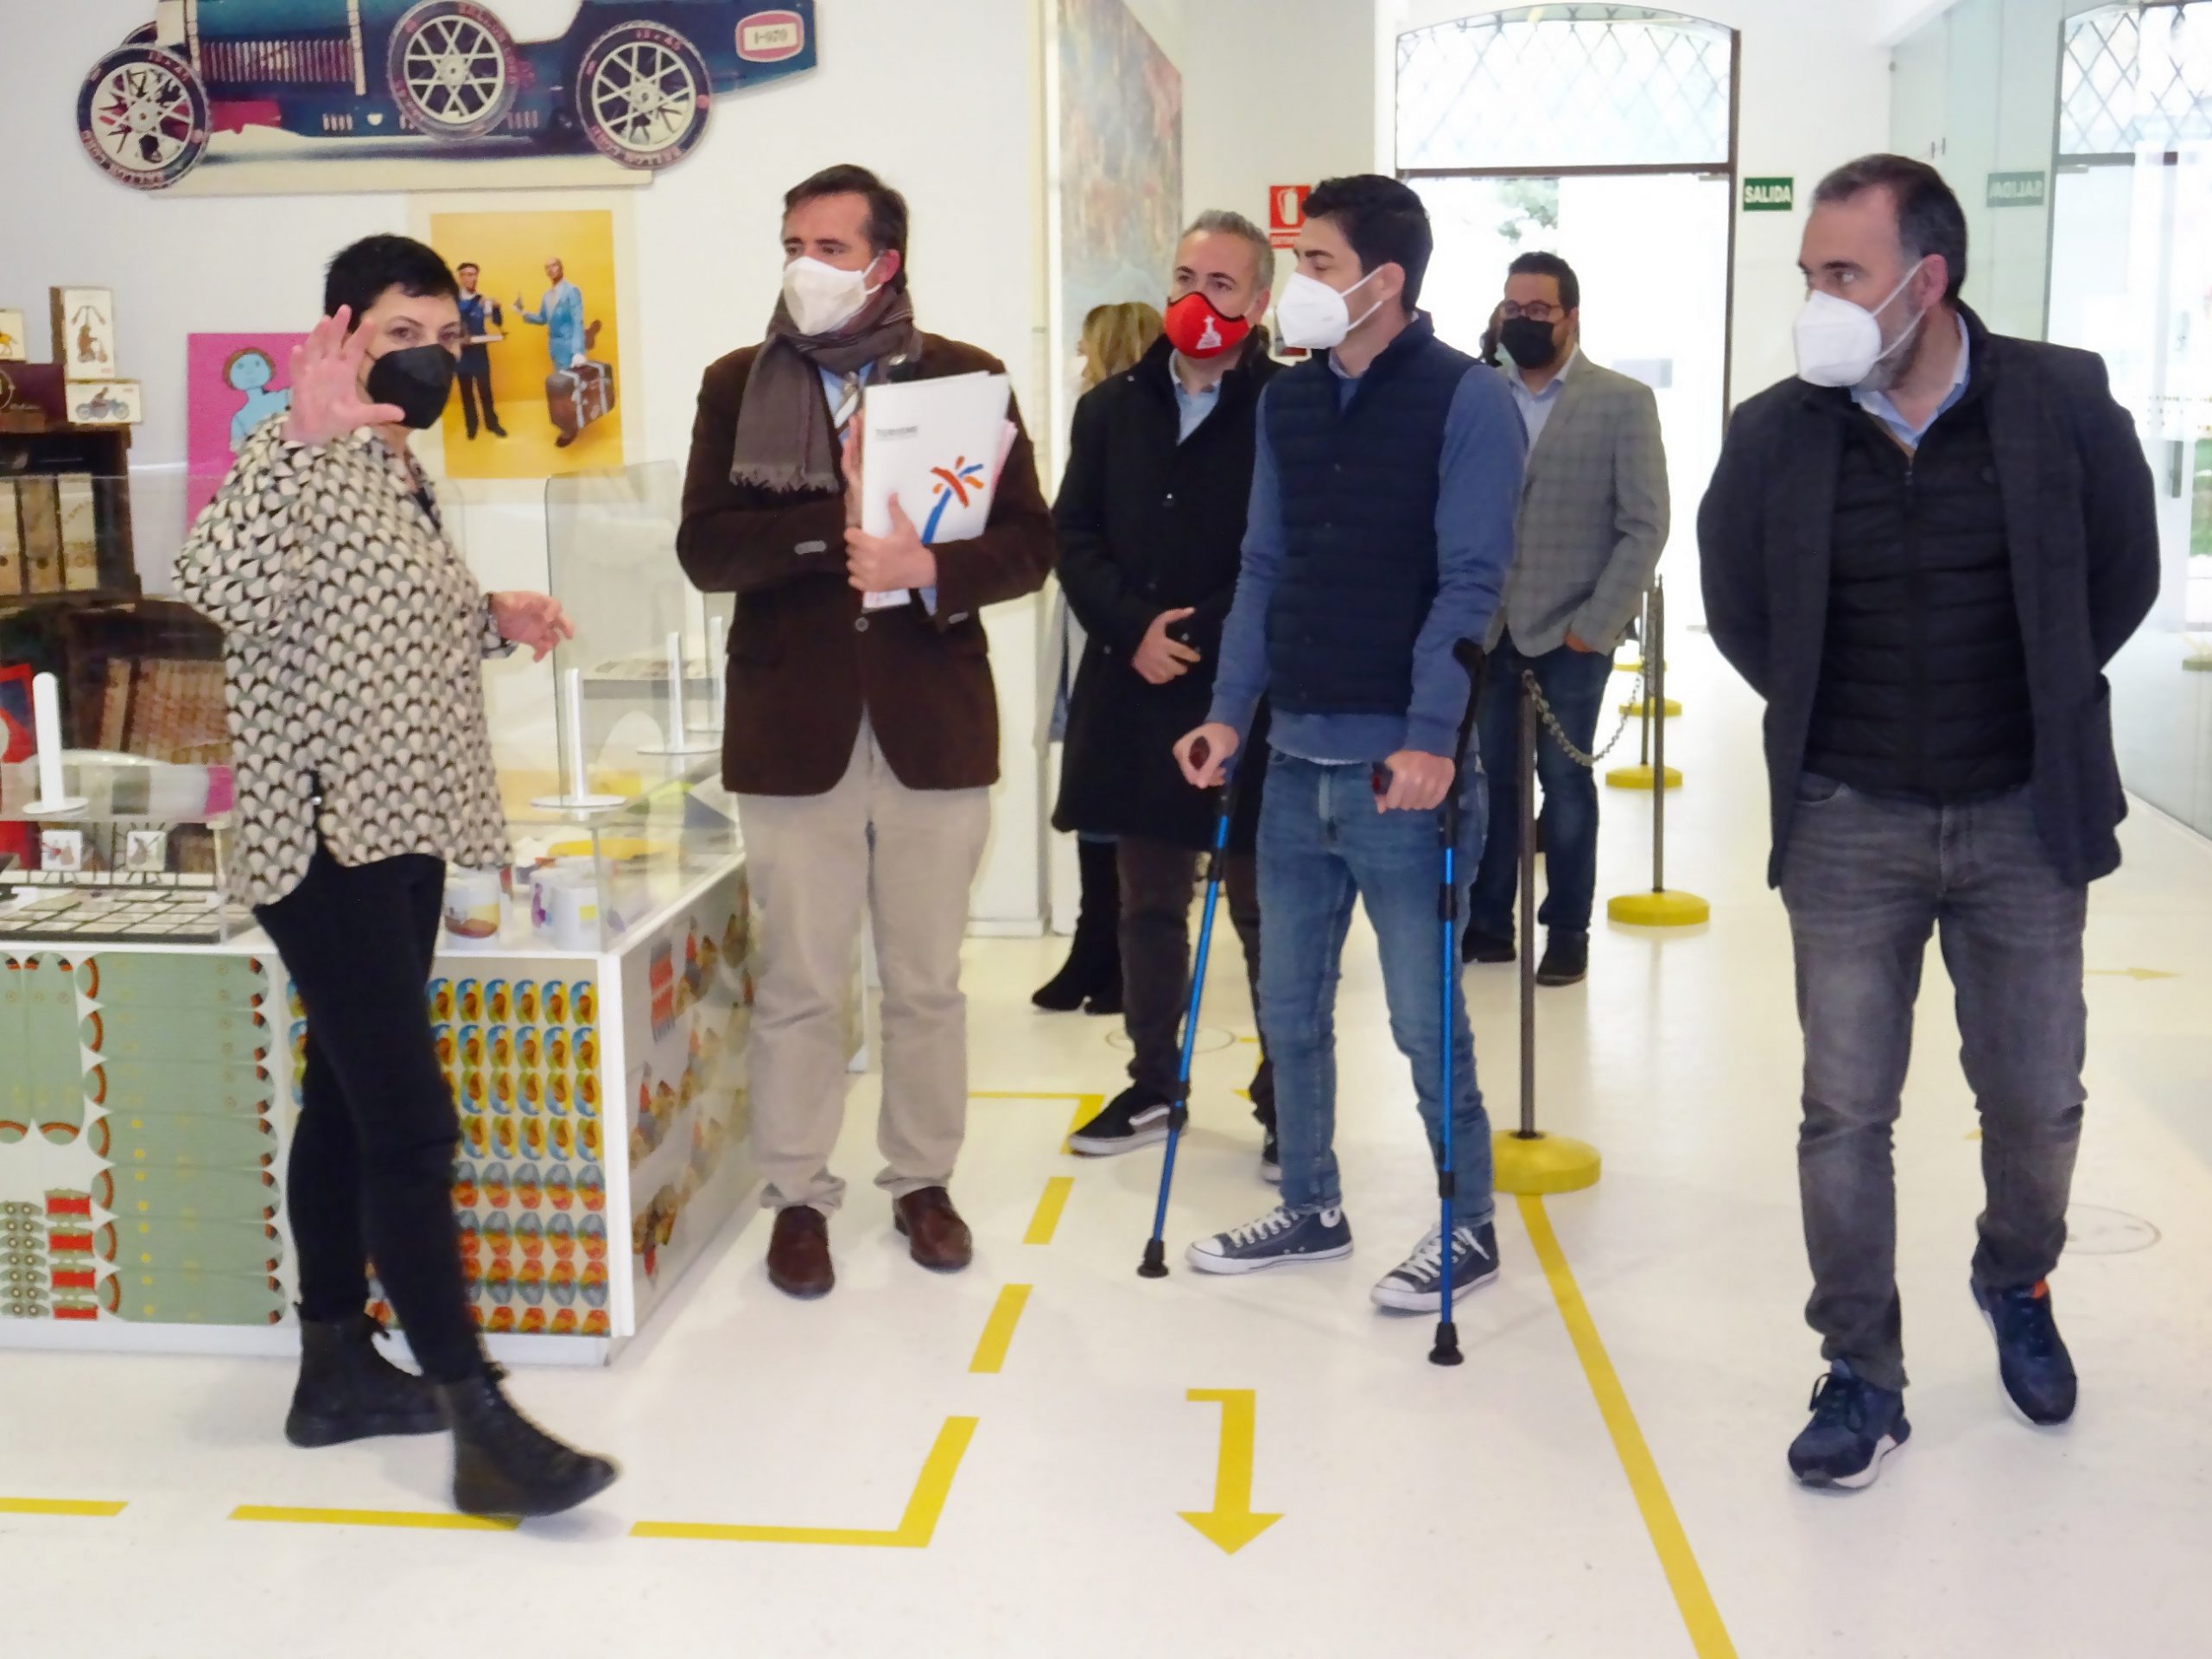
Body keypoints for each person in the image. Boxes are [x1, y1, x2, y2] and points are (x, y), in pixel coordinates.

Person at [1699, 156, 2159, 1491]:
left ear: (1928, 280)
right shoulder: (1775, 431)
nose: (1818, 301)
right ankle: (1861, 1367)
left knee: (2037, 1101)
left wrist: (2038, 700)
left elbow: (2122, 574)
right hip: (1850, 817)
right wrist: (1834, 725)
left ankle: (2017, 1277)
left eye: (1844, 274)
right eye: (1810, 275)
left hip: (2023, 814)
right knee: (1844, 1111)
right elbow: (1739, 607)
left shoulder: (2061, 401)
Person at [174, 234, 617, 1518]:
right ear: (342, 334)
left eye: (442, 335)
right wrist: (297, 438)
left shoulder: (397, 466)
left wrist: (494, 617)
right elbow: (214, 587)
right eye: (399, 333)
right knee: (413, 1128)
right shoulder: (298, 452)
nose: (426, 356)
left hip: (403, 828)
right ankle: (479, 1420)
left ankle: (335, 1373)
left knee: (347, 1101)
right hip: (326, 845)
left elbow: (375, 618)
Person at [677, 164, 1054, 1300]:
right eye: (794, 244)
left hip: (931, 726)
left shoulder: (966, 380)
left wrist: (926, 564)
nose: (807, 266)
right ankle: (797, 1195)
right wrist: (830, 524)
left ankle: (922, 1182)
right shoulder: (738, 384)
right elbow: (707, 549)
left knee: (925, 982)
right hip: (794, 732)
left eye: (831, 248)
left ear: (885, 262)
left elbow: (1028, 546)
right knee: (801, 982)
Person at [1175, 175, 1524, 1312]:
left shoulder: (1467, 399)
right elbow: (1262, 566)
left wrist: (1430, 737)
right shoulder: (1286, 403)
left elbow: (1471, 582)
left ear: (1386, 280)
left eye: (1317, 263)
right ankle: (1311, 1205)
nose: (1299, 284)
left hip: (1401, 777)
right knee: (1288, 1010)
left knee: (1425, 1024)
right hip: (1293, 765)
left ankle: (1466, 1226)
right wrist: (1229, 713)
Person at [1053, 213, 1280, 1174]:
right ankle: (1154, 1082)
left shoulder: (1287, 408)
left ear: (1258, 302)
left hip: (1248, 694)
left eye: (1221, 283)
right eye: (1185, 277)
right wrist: (1131, 628)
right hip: (1133, 688)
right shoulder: (1111, 408)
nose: (1196, 298)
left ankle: (1286, 1096)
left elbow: (1289, 554)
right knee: (1146, 901)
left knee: (1264, 911)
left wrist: (1192, 636)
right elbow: (1074, 536)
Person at [1463, 252, 1669, 985]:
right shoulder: (1476, 394)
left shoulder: (1621, 401)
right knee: (1495, 782)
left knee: (1565, 784)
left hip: (1572, 632)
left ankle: (1567, 932)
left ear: (1571, 316)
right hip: (1488, 629)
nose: (1523, 321)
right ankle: (1490, 923)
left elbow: (1645, 524)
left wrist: (1596, 625)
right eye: (1512, 308)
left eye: (1539, 310)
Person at [1033, 301, 1164, 1018]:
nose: (1079, 361)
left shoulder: (1135, 426)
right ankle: (1095, 944)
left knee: (1122, 792)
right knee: (1092, 789)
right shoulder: (1097, 420)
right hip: (1093, 621)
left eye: (1086, 347)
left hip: (1126, 628)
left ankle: (1114, 952)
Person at [453, 261, 506, 441]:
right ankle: (472, 425)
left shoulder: (482, 300)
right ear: (461, 278)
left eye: (474, 274)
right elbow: (457, 317)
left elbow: (497, 322)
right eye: (468, 274)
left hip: (479, 351)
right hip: (462, 353)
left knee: (485, 390)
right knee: (466, 392)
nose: (472, 278)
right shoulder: (453, 300)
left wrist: (497, 309)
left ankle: (492, 423)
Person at [518, 258, 585, 372]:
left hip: (570, 349)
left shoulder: (571, 290)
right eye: (547, 267)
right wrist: (524, 313)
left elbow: (578, 321)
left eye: (554, 265)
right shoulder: (547, 295)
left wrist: (578, 351)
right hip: (554, 349)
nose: (550, 269)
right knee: (559, 381)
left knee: (571, 381)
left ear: (561, 268)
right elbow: (542, 319)